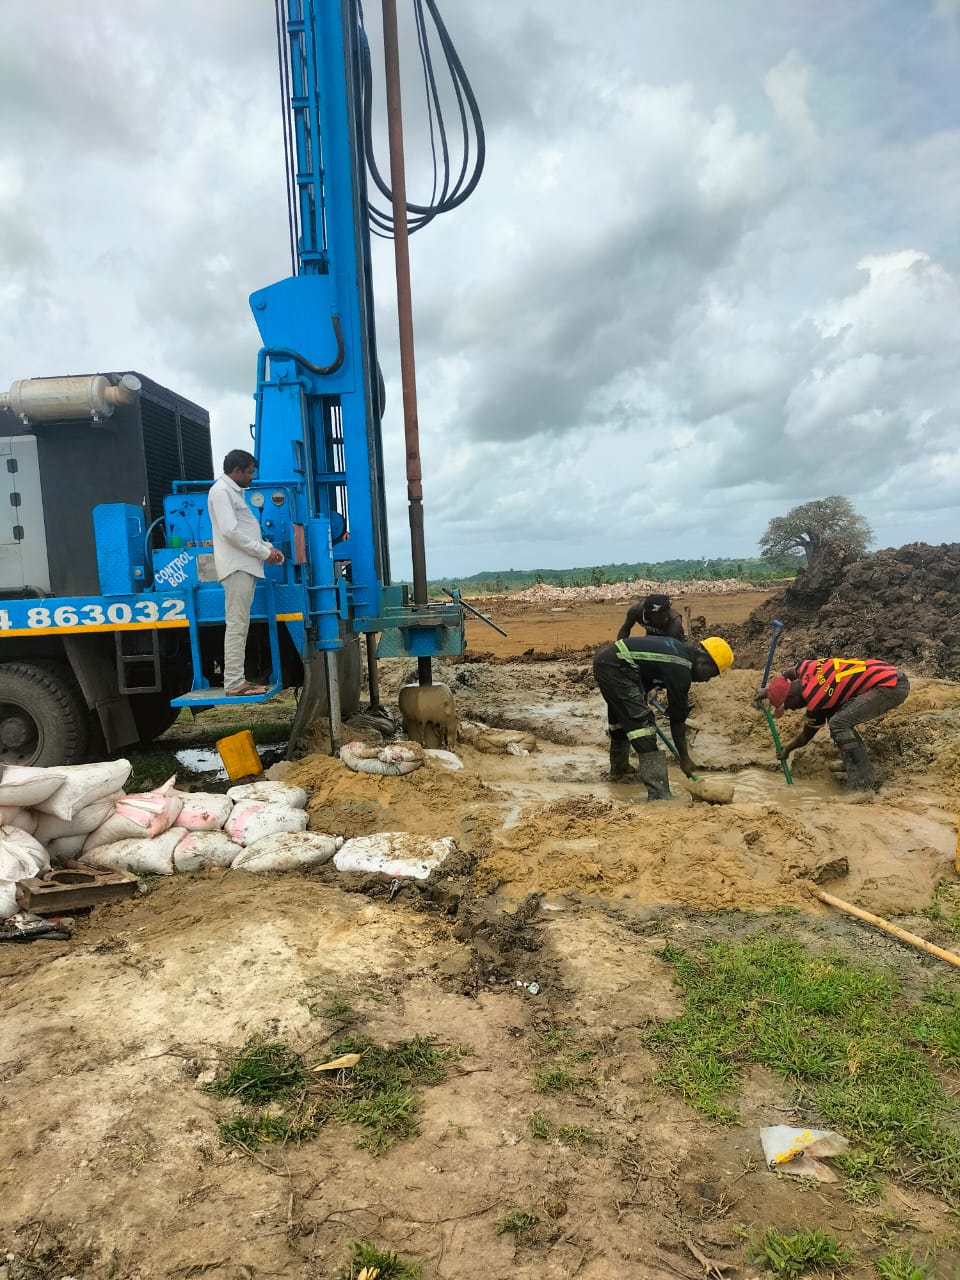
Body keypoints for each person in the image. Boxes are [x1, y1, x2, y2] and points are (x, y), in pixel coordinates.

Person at [592, 634, 734, 799]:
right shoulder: (681, 669)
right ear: (704, 663)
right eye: (711, 674)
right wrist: (684, 759)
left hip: (610, 661)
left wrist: (649, 689)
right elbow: (677, 720)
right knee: (643, 729)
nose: (707, 680)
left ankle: (620, 772)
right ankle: (660, 795)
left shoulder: (679, 652)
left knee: (621, 722)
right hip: (616, 667)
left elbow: (650, 663)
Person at [760, 657, 909, 791]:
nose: (790, 709)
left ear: (792, 696)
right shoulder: (806, 668)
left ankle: (862, 784)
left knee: (839, 723)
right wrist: (769, 691)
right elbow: (787, 674)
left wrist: (787, 749)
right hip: (886, 672)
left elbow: (807, 734)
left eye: (787, 705)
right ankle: (853, 763)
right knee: (836, 715)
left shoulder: (817, 698)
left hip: (890, 686)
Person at [207, 449, 285, 697]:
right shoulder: (221, 492)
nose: (252, 477)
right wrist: (263, 553)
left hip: (244, 565)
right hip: (237, 566)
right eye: (250, 472)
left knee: (240, 624)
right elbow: (230, 531)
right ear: (237, 471)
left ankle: (236, 680)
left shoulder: (233, 493)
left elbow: (246, 531)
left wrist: (268, 548)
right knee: (237, 624)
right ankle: (233, 683)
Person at [617, 593, 685, 641]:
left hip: (674, 640)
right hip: (651, 637)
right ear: (649, 614)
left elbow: (670, 645)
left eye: (667, 610)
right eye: (662, 615)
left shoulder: (674, 621)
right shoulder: (635, 612)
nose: (666, 617)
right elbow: (626, 628)